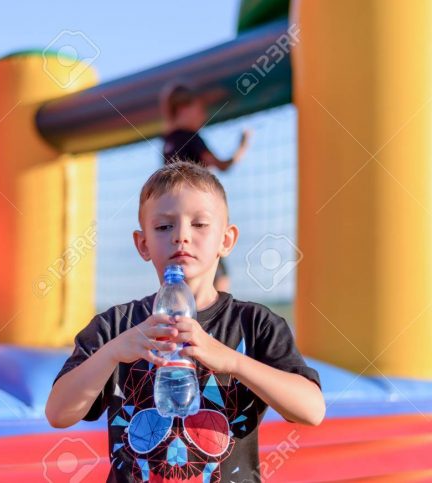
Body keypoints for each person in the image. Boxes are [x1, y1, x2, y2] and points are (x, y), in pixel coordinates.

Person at [46, 161, 324, 482]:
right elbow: (58, 413)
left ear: (227, 240)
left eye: (200, 224)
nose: (181, 236)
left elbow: (311, 410)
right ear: (143, 244)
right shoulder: (116, 326)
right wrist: (113, 352)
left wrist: (232, 361)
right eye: (164, 227)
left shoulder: (254, 323)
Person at [160, 83, 250, 294]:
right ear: (183, 109)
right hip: (197, 212)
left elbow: (167, 101)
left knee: (184, 267)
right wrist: (243, 145)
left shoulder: (168, 138)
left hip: (173, 212)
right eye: (200, 111)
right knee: (219, 273)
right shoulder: (192, 138)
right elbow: (222, 165)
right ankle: (213, 316)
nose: (203, 117)